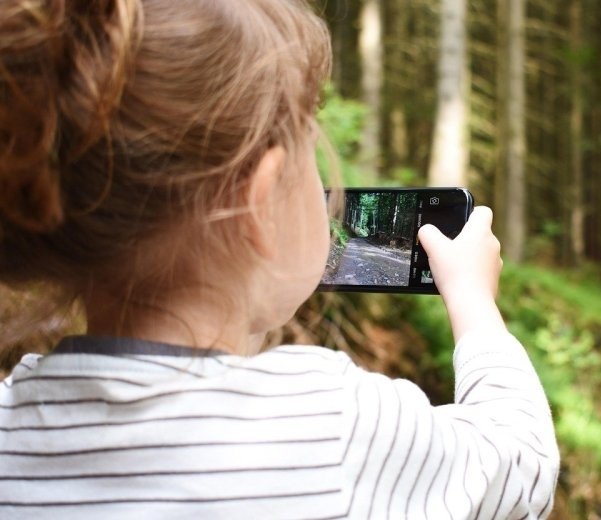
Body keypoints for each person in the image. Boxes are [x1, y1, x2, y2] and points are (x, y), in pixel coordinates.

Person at [0, 0, 559, 518]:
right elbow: (521, 462)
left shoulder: (11, 424)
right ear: (260, 202)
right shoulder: (335, 426)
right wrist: (473, 302)